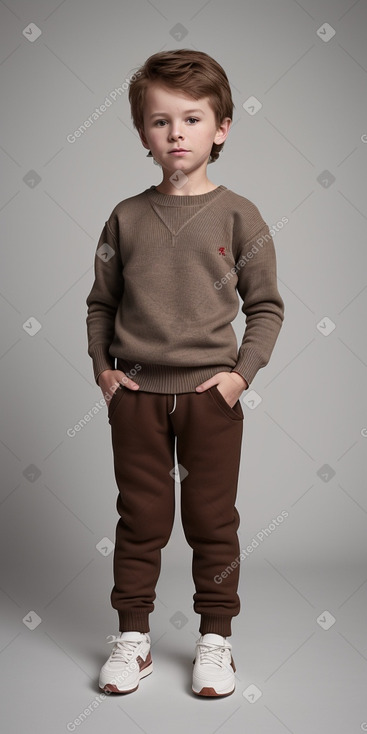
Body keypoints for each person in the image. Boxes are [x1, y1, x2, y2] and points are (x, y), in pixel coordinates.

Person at [86, 48, 285, 698]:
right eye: (160, 121)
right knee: (139, 519)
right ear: (142, 131)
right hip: (137, 398)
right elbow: (101, 303)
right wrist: (103, 371)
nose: (176, 133)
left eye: (192, 119)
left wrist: (238, 377)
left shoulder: (239, 215)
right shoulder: (125, 217)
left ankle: (215, 640)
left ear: (220, 127)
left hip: (210, 401)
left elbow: (265, 308)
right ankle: (133, 639)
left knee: (210, 520)